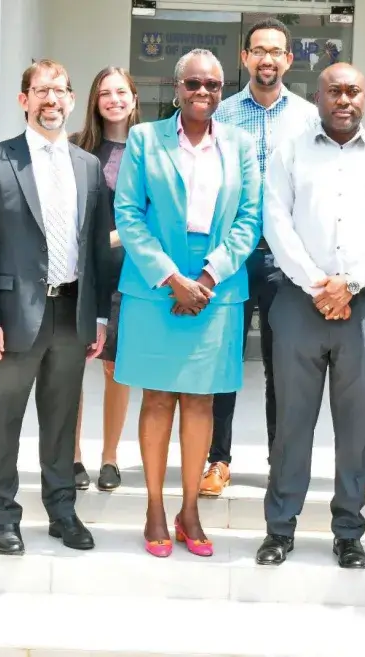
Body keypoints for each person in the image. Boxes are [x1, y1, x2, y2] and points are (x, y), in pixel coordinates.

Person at [259, 63, 365, 569]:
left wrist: (353, 282)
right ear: (317, 96)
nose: (343, 99)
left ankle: (349, 531)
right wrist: (317, 283)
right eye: (333, 91)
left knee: (356, 428)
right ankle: (280, 529)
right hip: (300, 304)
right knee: (292, 425)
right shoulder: (290, 152)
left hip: (364, 307)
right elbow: (275, 221)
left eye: (352, 91)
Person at [113, 48, 261, 558]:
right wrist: (173, 278)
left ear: (224, 91)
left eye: (214, 86)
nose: (203, 93)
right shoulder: (144, 138)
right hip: (156, 285)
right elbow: (128, 213)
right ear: (177, 87)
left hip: (216, 286)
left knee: (201, 401)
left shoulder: (240, 144)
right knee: (156, 399)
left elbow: (249, 219)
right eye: (194, 83)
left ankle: (190, 507)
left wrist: (205, 277)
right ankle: (155, 507)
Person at [0, 59, 115, 556]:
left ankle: (62, 512)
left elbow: (96, 248)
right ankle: (4, 517)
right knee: (5, 421)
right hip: (12, 317)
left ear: (73, 100)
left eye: (60, 91)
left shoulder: (88, 166)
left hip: (71, 314)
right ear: (23, 99)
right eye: (41, 91)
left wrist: (97, 317)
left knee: (60, 417)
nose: (51, 100)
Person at [201, 17, 319, 497]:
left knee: (281, 364)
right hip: (231, 255)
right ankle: (218, 459)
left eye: (276, 51)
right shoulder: (222, 115)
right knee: (224, 358)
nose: (267, 58)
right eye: (258, 50)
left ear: (289, 60)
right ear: (244, 58)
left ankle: (279, 461)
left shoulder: (310, 117)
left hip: (284, 259)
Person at [69, 66, 141, 492]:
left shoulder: (150, 148)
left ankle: (110, 456)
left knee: (117, 367)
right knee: (74, 365)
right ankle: (73, 455)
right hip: (81, 273)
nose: (114, 100)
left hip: (127, 274)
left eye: (121, 92)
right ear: (94, 101)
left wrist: (113, 238)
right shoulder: (77, 148)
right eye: (105, 93)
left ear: (133, 98)